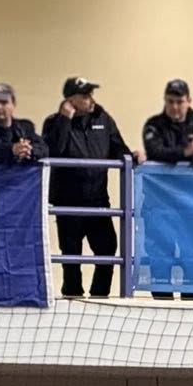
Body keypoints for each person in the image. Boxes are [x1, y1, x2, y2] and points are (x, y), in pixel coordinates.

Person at [42, 78, 139, 298]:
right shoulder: (54, 122)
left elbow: (118, 148)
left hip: (98, 201)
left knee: (107, 250)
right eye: (84, 96)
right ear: (70, 100)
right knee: (71, 256)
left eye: (90, 95)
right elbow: (53, 151)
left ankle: (99, 297)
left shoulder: (104, 119)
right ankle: (72, 297)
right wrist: (64, 120)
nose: (90, 99)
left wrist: (132, 156)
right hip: (67, 202)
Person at [143, 80, 193, 168]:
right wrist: (185, 152)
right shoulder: (153, 125)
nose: (174, 107)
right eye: (170, 101)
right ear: (165, 100)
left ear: (188, 101)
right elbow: (154, 152)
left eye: (180, 102)